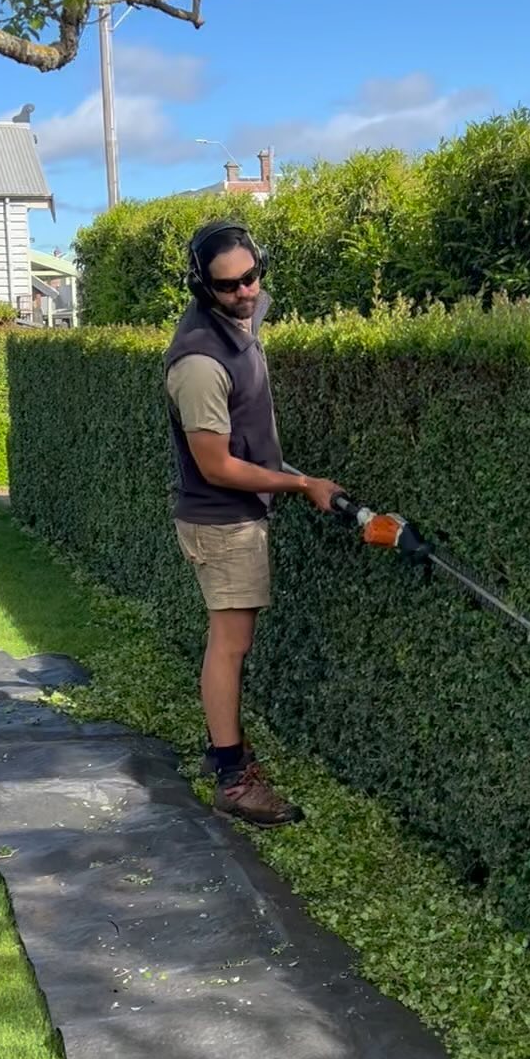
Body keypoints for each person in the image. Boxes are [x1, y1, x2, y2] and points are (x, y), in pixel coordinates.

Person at [164, 218, 346, 826]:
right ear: (201, 288)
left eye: (252, 277)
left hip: (237, 514)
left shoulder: (242, 317)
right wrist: (300, 483)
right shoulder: (198, 364)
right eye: (229, 287)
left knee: (230, 642)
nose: (246, 293)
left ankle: (225, 753)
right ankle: (232, 778)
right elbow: (214, 465)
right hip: (222, 521)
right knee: (231, 644)